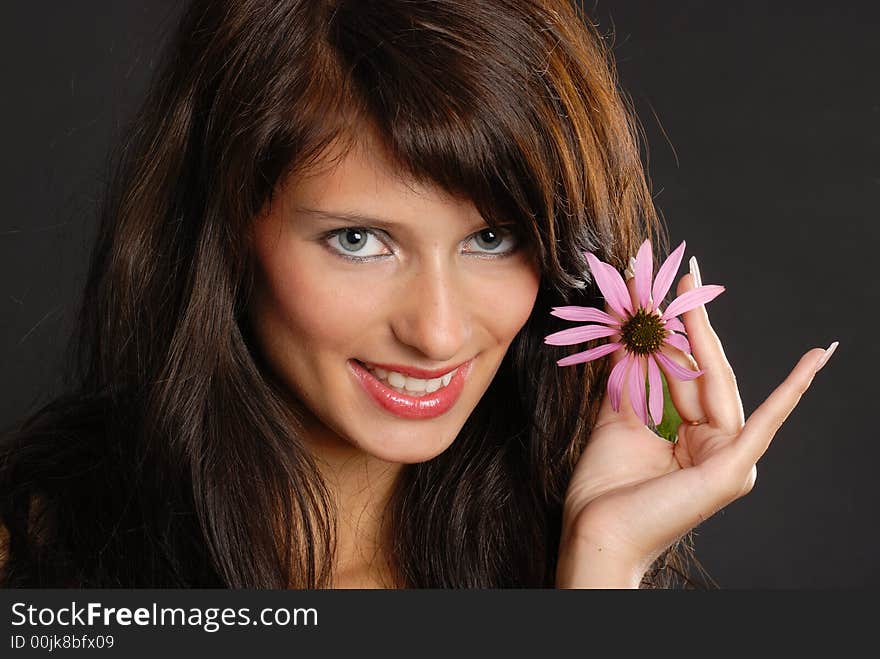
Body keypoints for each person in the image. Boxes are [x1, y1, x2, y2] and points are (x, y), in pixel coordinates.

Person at [0, 0, 835, 589]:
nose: (437, 333)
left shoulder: (544, 558)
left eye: (491, 238)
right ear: (222, 227)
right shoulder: (39, 567)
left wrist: (601, 563)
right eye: (358, 240)